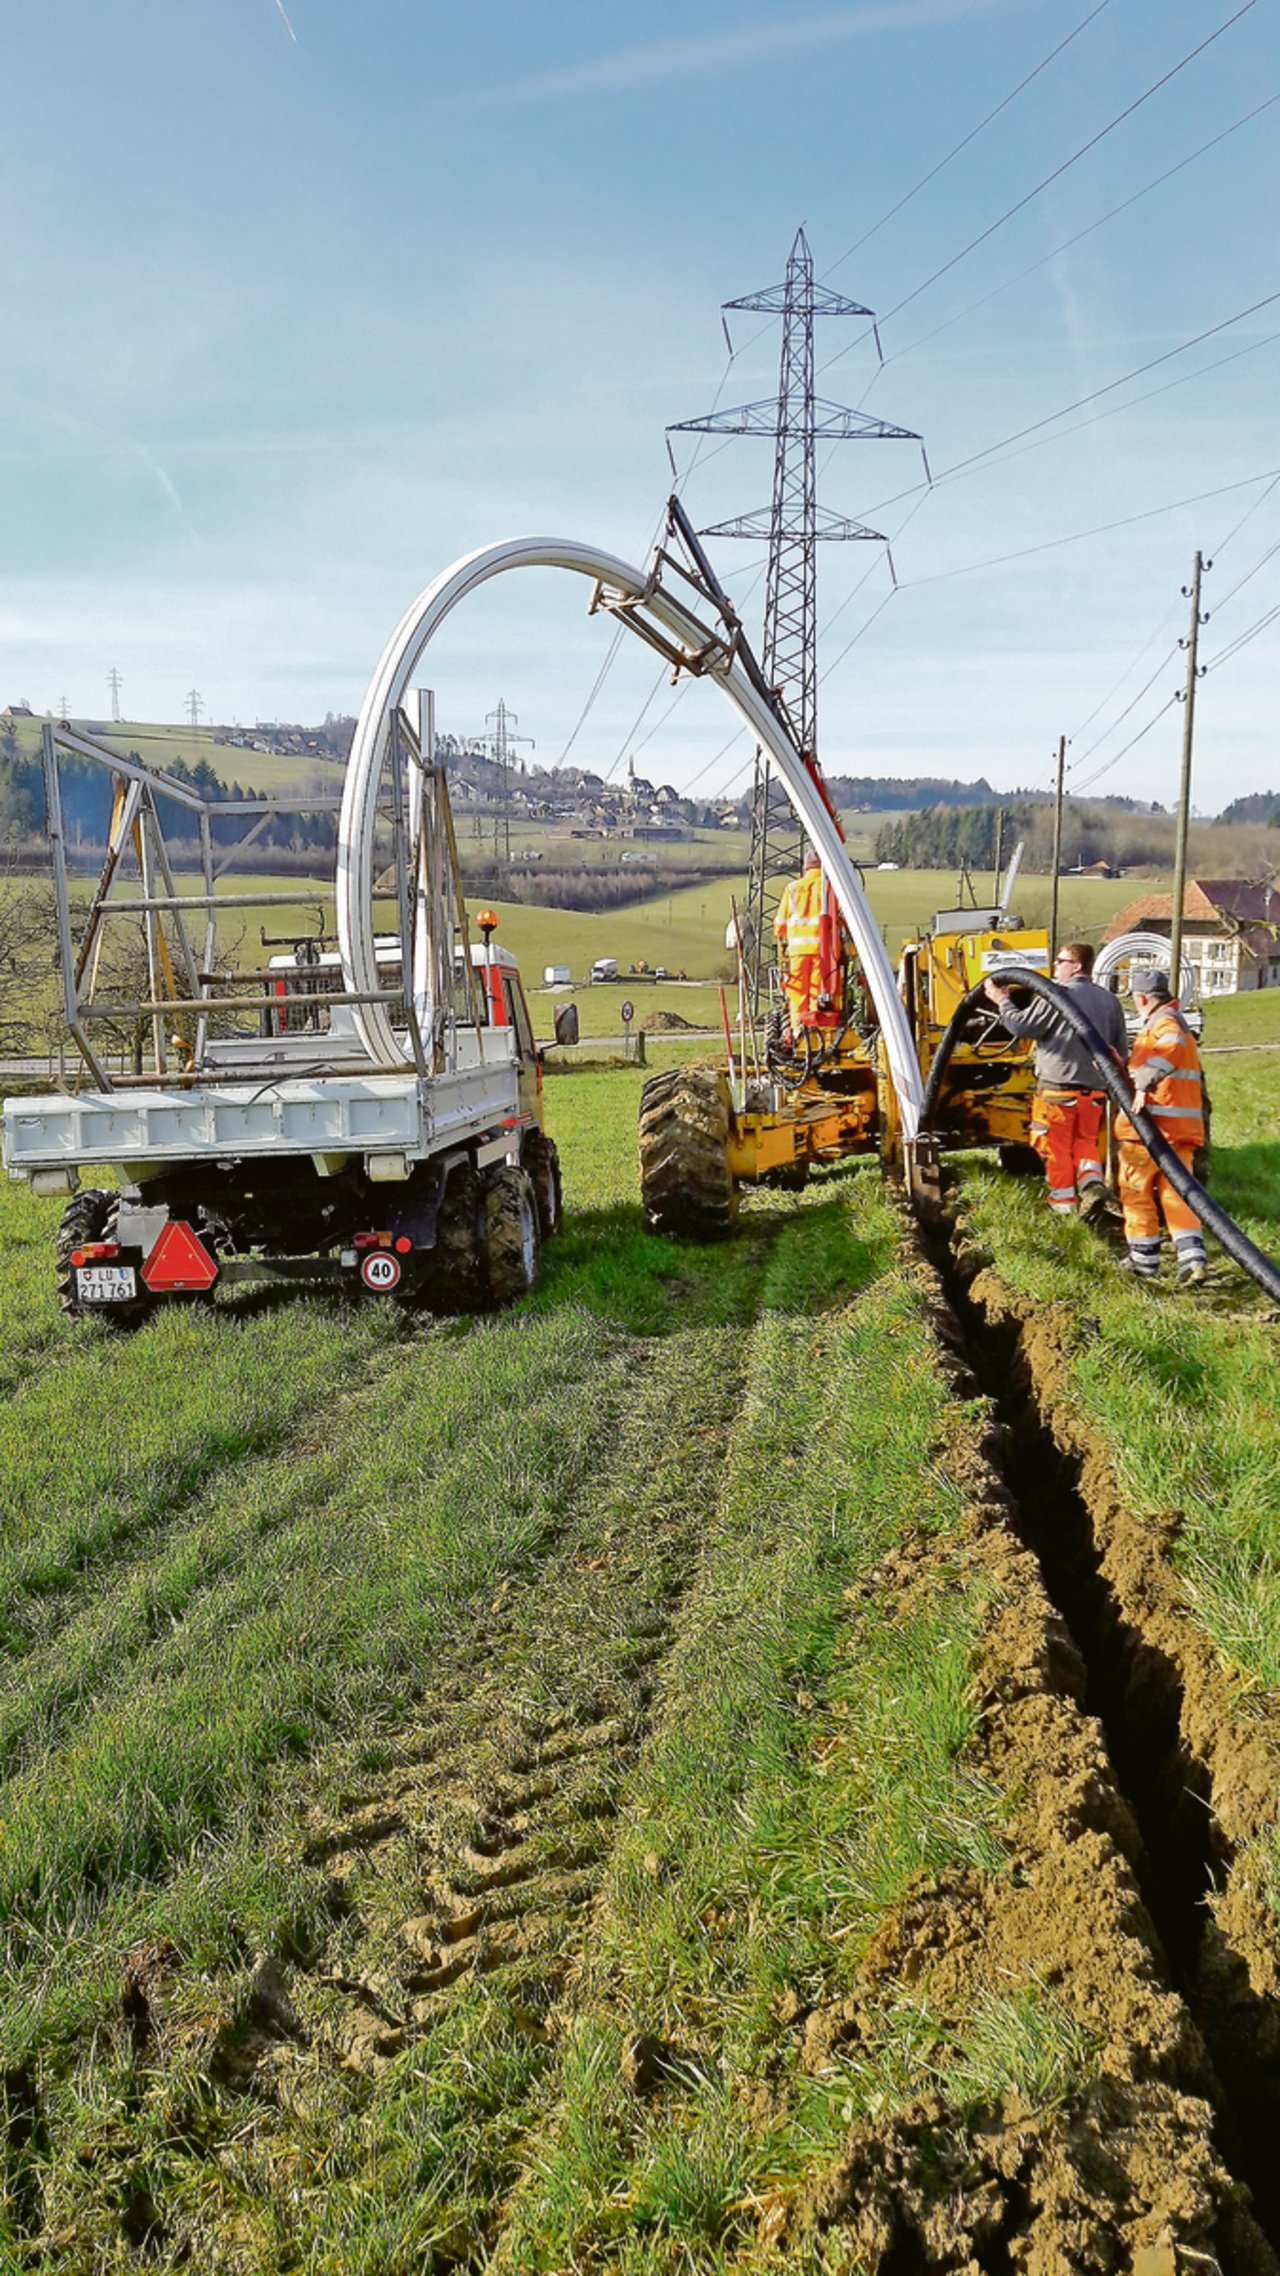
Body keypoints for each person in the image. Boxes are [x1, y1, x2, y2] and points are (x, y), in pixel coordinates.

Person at [983, 941, 1128, 1219]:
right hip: (1094, 1092)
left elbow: (1022, 1026)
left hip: (1057, 1091)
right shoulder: (1110, 1001)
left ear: (1076, 966)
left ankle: (1063, 1209)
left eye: (1060, 961)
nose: (1054, 967)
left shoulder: (1056, 995)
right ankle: (1091, 1184)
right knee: (1085, 1142)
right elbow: (1119, 1053)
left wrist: (1001, 999)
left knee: (1054, 1147)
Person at [1113, 966, 1207, 1287]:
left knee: (1136, 1192)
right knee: (1178, 1196)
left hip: (1151, 1132)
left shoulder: (1164, 1024)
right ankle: (1192, 1260)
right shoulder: (1170, 1022)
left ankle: (1143, 1262)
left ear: (1141, 998)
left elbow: (1168, 1051)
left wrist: (1141, 1083)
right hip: (1178, 1132)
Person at [773, 847, 843, 1037]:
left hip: (797, 953)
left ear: (805, 868)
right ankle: (816, 1033)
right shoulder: (830, 888)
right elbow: (840, 920)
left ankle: (798, 1032)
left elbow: (779, 926)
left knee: (797, 994)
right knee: (816, 993)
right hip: (823, 953)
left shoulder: (792, 889)